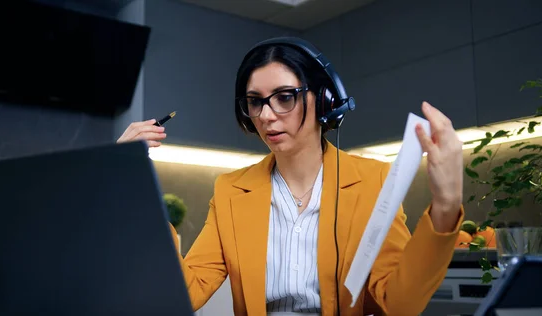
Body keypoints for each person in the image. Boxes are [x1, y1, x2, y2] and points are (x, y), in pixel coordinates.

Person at [117, 37, 464, 316]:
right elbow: (185, 293)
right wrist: (130, 185)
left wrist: (446, 207)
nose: (267, 115)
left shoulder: (372, 180)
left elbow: (399, 305)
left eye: (284, 97)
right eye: (255, 101)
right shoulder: (230, 191)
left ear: (325, 101)